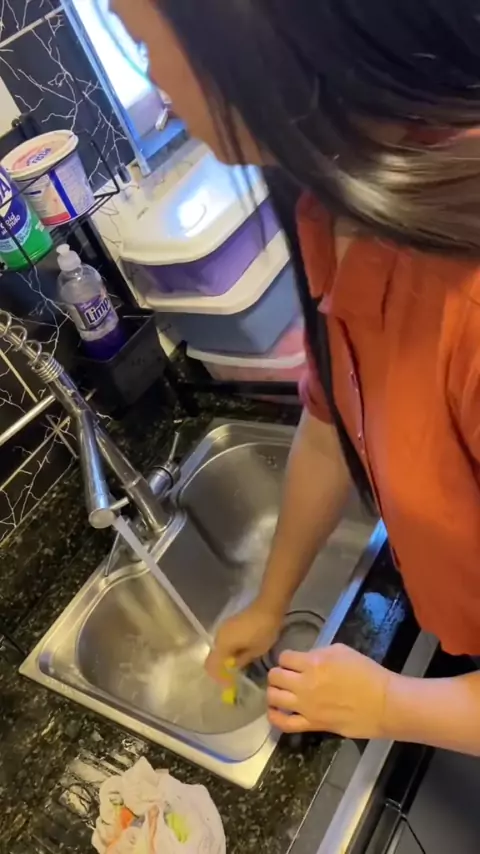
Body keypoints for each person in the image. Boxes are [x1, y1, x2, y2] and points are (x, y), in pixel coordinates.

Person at [113, 0, 480, 756]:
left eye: (143, 42)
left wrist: (390, 704)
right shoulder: (332, 205)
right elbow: (329, 425)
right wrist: (268, 598)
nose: (154, 83)